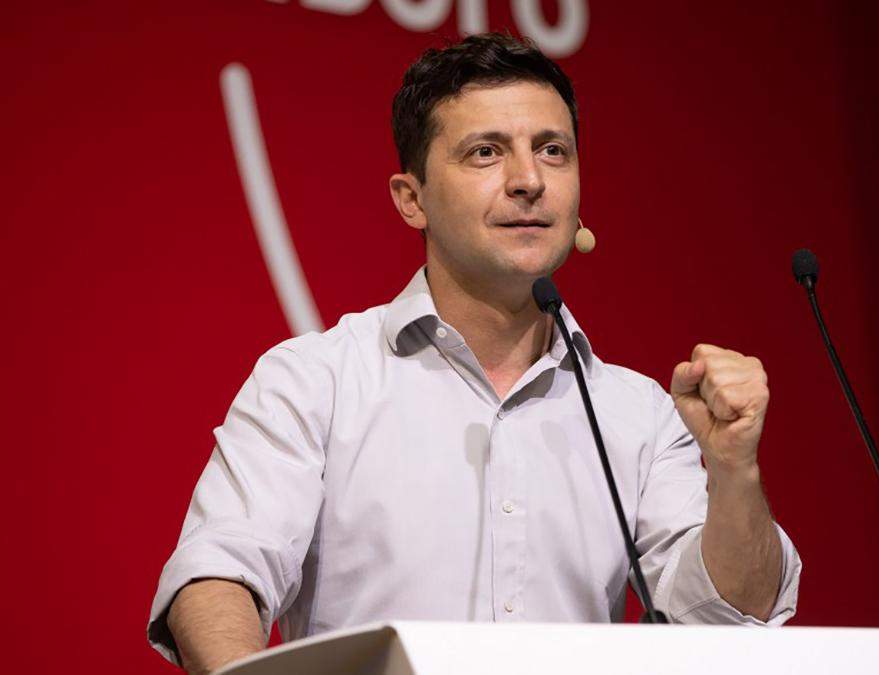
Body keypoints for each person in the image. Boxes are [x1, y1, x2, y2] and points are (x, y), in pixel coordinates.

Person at [148, 33, 801, 674]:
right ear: (413, 200)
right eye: (486, 152)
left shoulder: (639, 413)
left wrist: (734, 471)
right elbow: (218, 573)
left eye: (552, 151)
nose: (529, 181)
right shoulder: (315, 381)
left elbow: (727, 625)